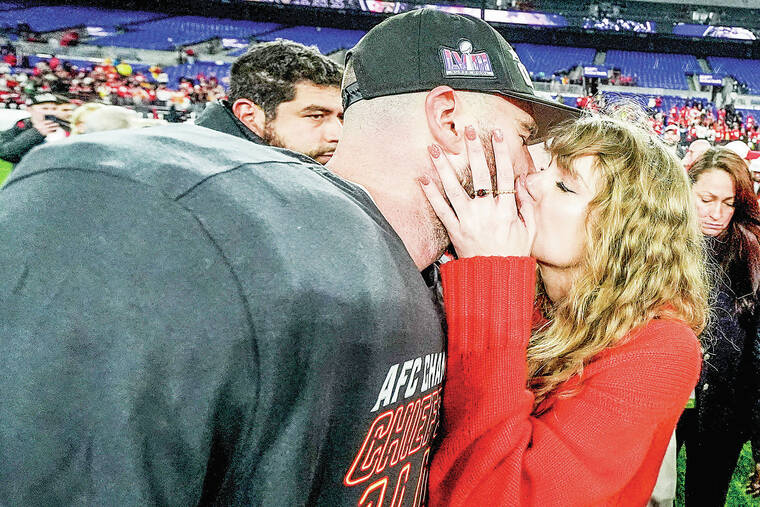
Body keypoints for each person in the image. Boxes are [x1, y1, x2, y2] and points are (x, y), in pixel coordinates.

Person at [0, 9, 577, 505]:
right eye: (524, 135)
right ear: (448, 119)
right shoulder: (187, 218)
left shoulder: (429, 270)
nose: (532, 165)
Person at [420, 109, 709, 506]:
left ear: (620, 232)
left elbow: (495, 495)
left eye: (564, 186)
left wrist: (490, 275)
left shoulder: (661, 349)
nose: (529, 182)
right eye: (544, 168)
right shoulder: (533, 298)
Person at [677, 147, 760, 505]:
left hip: (725, 409)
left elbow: (758, 353)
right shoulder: (657, 245)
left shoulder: (752, 255)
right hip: (663, 395)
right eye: (706, 199)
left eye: (728, 203)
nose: (716, 214)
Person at [196, 39, 344, 165]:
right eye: (316, 116)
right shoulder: (201, 179)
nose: (338, 135)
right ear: (249, 116)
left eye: (342, 118)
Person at [0, 92, 68, 163]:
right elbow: (6, 153)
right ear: (30, 109)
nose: (50, 112)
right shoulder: (20, 126)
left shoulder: (65, 127)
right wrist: (36, 133)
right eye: (45, 108)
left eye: (54, 109)